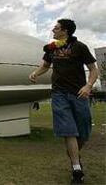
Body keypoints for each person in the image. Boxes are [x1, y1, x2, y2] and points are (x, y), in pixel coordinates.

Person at [28, 19, 99, 184]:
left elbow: (94, 69)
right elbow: (46, 65)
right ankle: (76, 169)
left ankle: (74, 153)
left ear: (65, 31)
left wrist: (88, 86)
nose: (53, 30)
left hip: (79, 94)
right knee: (69, 131)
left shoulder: (79, 47)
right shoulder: (52, 48)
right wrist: (36, 73)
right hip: (59, 94)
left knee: (83, 130)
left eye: (57, 28)